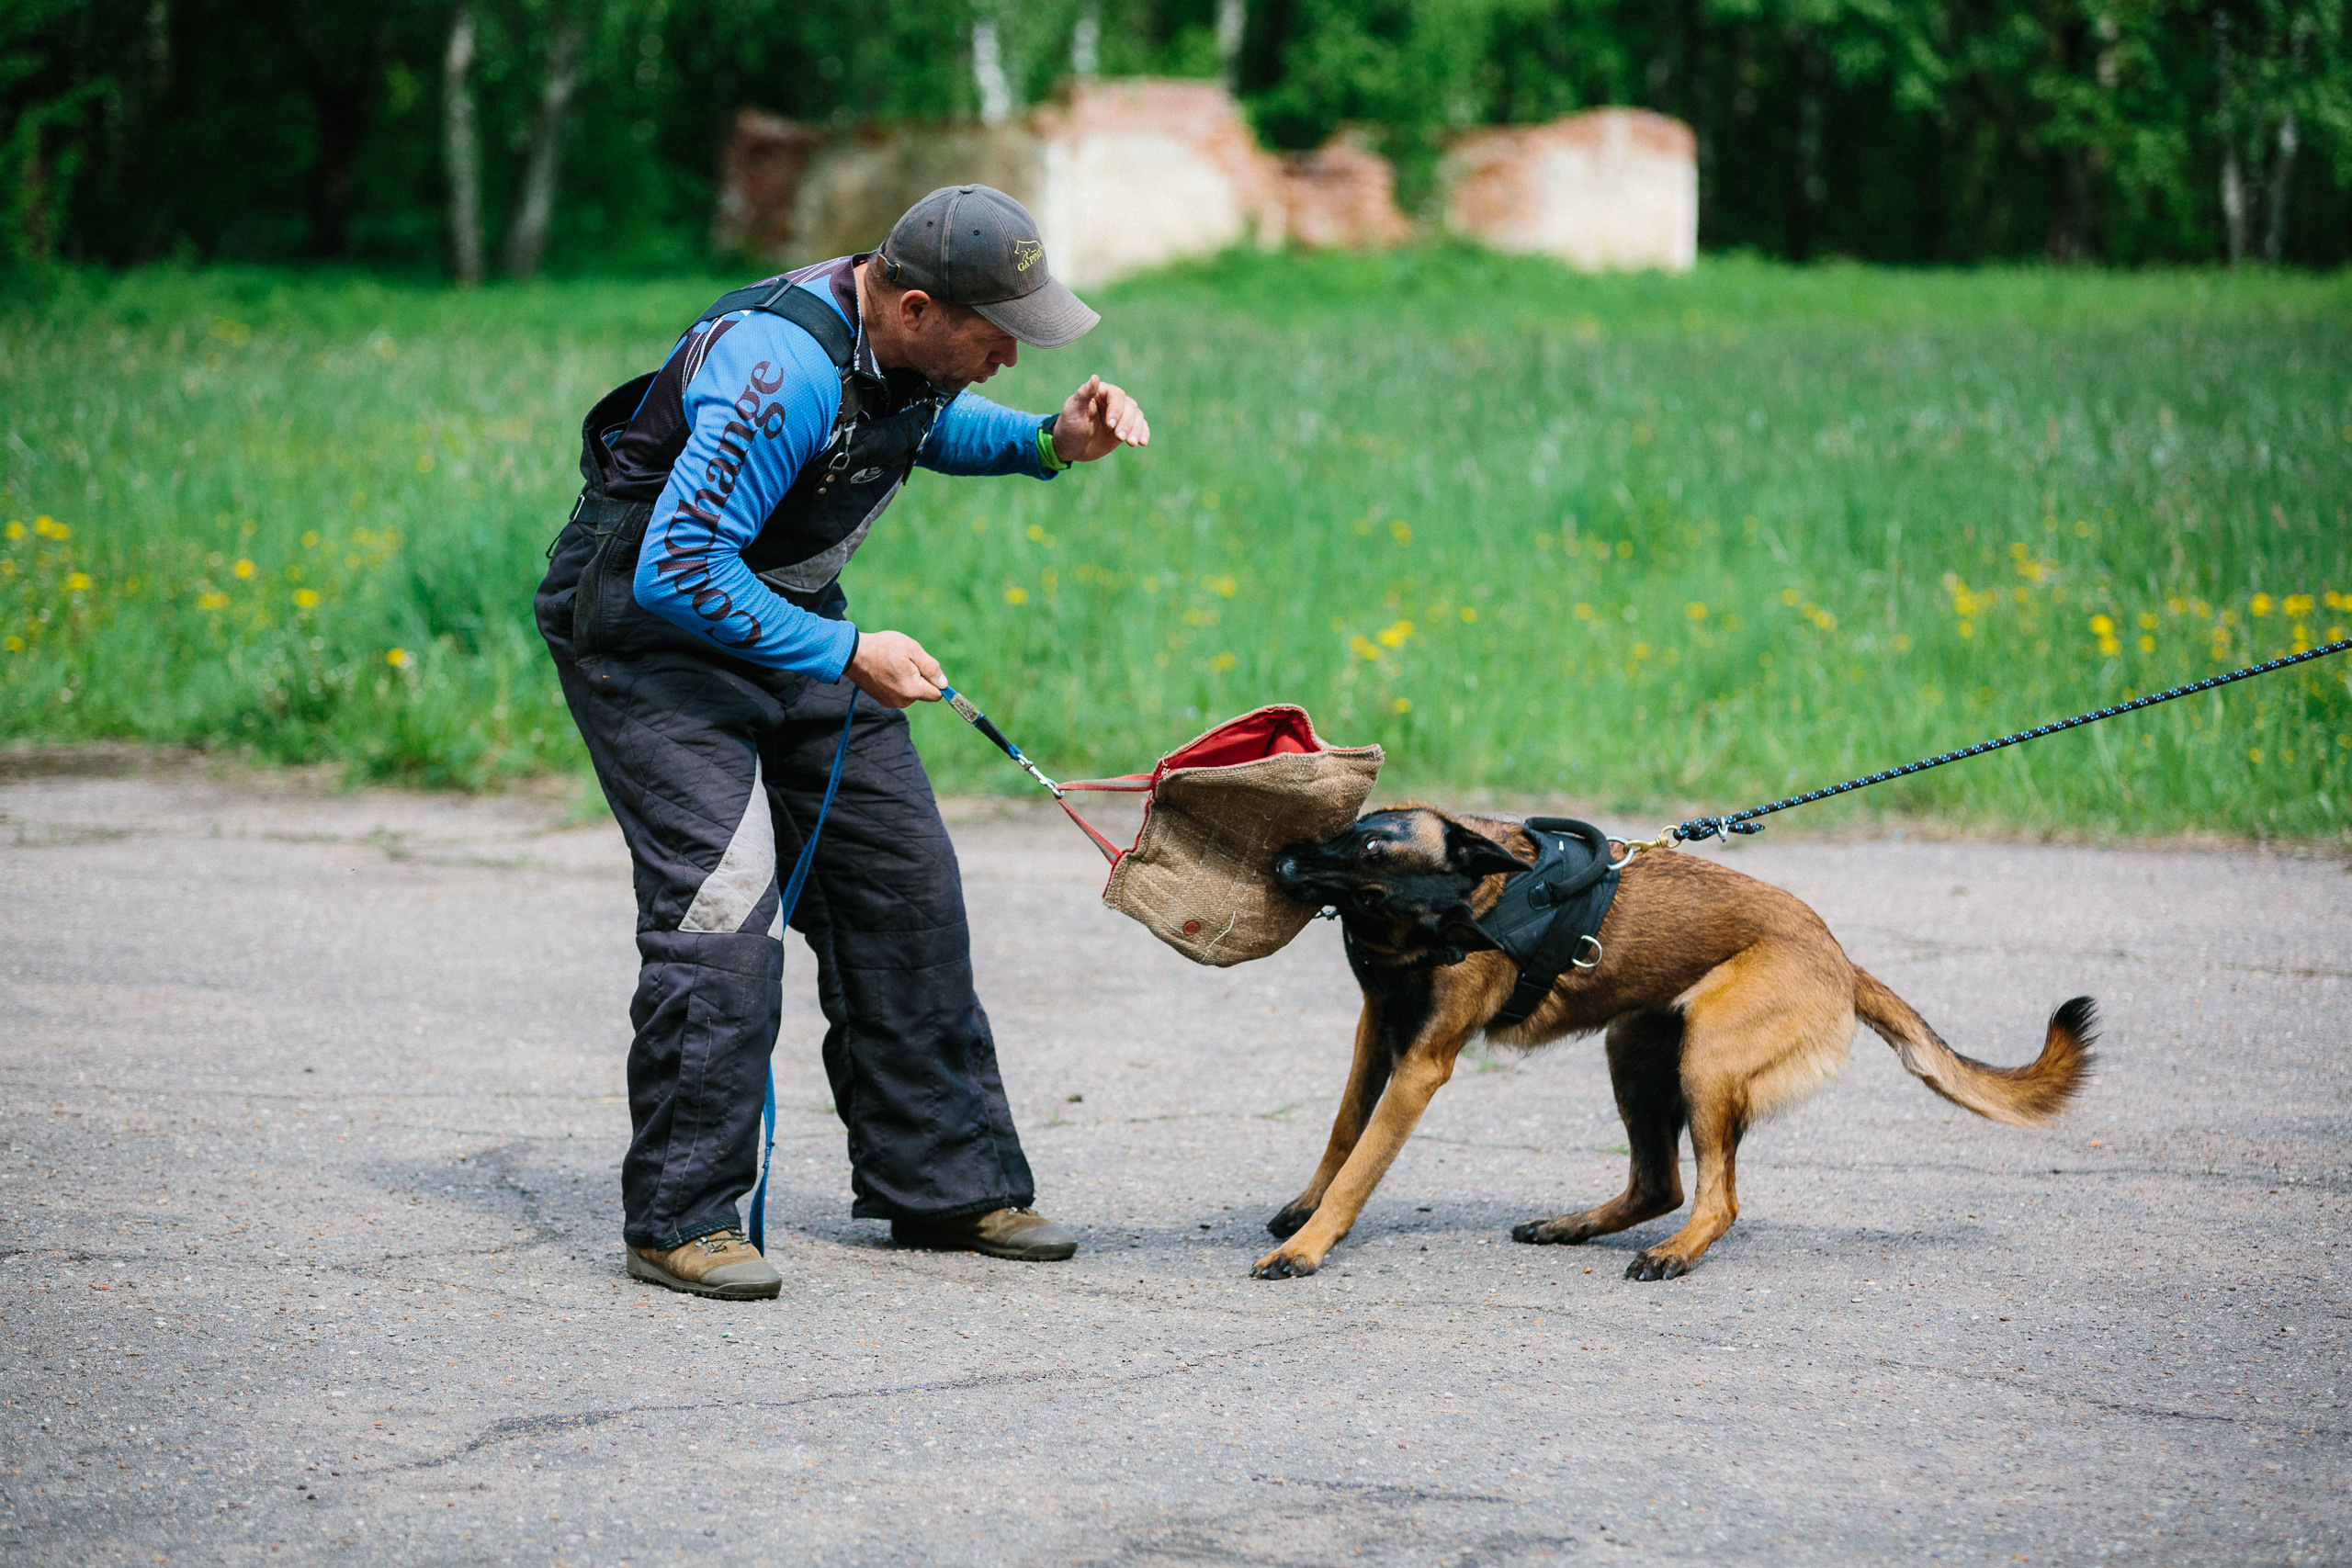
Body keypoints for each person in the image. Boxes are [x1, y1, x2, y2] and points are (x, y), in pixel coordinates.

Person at [535, 185, 1149, 1301]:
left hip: (786, 617)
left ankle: (948, 1188)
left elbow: (915, 427)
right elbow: (680, 570)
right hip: (645, 631)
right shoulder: (779, 372)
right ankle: (681, 1219)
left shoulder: (899, 354)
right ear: (915, 307)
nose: (1010, 356)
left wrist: (1050, 442)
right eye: (995, 335)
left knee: (902, 886)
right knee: (725, 904)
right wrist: (846, 651)